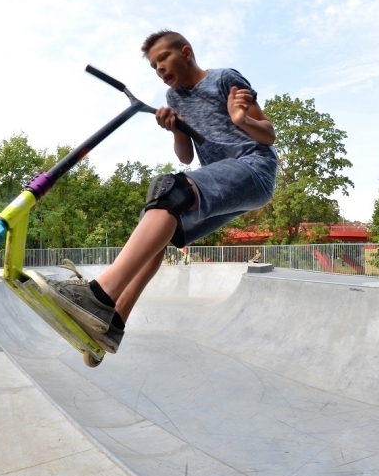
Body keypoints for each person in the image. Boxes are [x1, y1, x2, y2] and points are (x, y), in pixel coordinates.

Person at [45, 29, 277, 354]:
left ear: (185, 52)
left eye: (163, 59)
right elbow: (185, 156)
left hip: (254, 168)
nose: (160, 70)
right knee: (156, 226)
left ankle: (99, 294)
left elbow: (268, 135)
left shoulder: (225, 79)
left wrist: (241, 120)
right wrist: (175, 128)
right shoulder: (174, 99)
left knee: (168, 191)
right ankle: (113, 321)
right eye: (154, 67)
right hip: (222, 179)